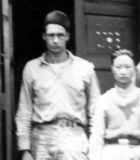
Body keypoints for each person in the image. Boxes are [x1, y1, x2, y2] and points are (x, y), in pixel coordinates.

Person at [15, 10, 101, 160]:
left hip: (74, 141)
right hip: (41, 141)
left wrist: (95, 150)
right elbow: (24, 112)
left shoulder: (84, 68)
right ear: (44, 36)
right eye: (51, 35)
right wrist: (24, 149)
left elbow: (96, 113)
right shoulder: (32, 68)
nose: (55, 40)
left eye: (60, 35)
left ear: (67, 36)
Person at [89, 49, 140, 160]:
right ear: (112, 69)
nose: (123, 72)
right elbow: (97, 136)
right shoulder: (103, 100)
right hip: (111, 152)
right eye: (118, 67)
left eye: (127, 67)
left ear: (134, 69)